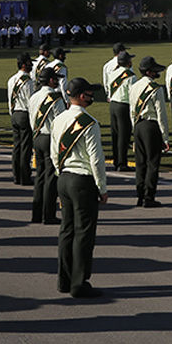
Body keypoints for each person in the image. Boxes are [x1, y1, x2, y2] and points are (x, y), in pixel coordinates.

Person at [51, 78, 109, 298]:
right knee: (84, 233)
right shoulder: (89, 122)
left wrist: (60, 173)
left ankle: (64, 280)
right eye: (89, 92)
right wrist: (102, 187)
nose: (92, 96)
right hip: (82, 180)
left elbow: (53, 151)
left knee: (66, 230)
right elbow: (96, 160)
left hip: (64, 177)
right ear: (82, 96)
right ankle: (79, 282)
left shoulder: (59, 119)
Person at [129, 56, 170, 207]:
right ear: (149, 72)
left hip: (139, 126)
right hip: (151, 126)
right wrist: (165, 137)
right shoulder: (156, 89)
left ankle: (140, 195)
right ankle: (149, 197)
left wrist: (135, 130)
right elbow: (161, 114)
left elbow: (132, 111)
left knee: (140, 163)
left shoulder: (134, 87)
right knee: (152, 163)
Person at [28, 66, 65, 223]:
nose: (57, 81)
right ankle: (48, 214)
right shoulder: (55, 98)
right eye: (55, 78)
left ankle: (37, 214)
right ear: (50, 80)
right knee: (51, 178)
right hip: (50, 138)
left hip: (37, 136)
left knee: (40, 177)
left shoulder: (34, 97)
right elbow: (61, 121)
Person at [7, 53, 35, 186]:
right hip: (25, 114)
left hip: (15, 113)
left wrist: (11, 112)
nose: (32, 65)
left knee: (17, 147)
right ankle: (25, 176)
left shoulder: (11, 79)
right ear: (24, 65)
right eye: (29, 63)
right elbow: (31, 102)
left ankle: (16, 175)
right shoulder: (28, 82)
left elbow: (9, 99)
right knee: (26, 148)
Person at [106, 51, 135, 172]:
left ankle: (116, 160)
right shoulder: (131, 75)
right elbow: (132, 94)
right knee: (124, 135)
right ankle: (122, 163)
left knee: (115, 134)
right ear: (128, 62)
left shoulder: (113, 73)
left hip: (113, 104)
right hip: (124, 105)